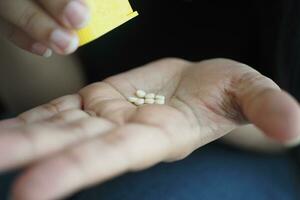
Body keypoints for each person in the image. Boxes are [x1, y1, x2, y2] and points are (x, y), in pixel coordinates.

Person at [0, 0, 300, 200]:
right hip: (89, 104)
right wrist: (18, 24)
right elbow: (47, 94)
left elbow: (290, 127)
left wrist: (228, 103)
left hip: (249, 142)